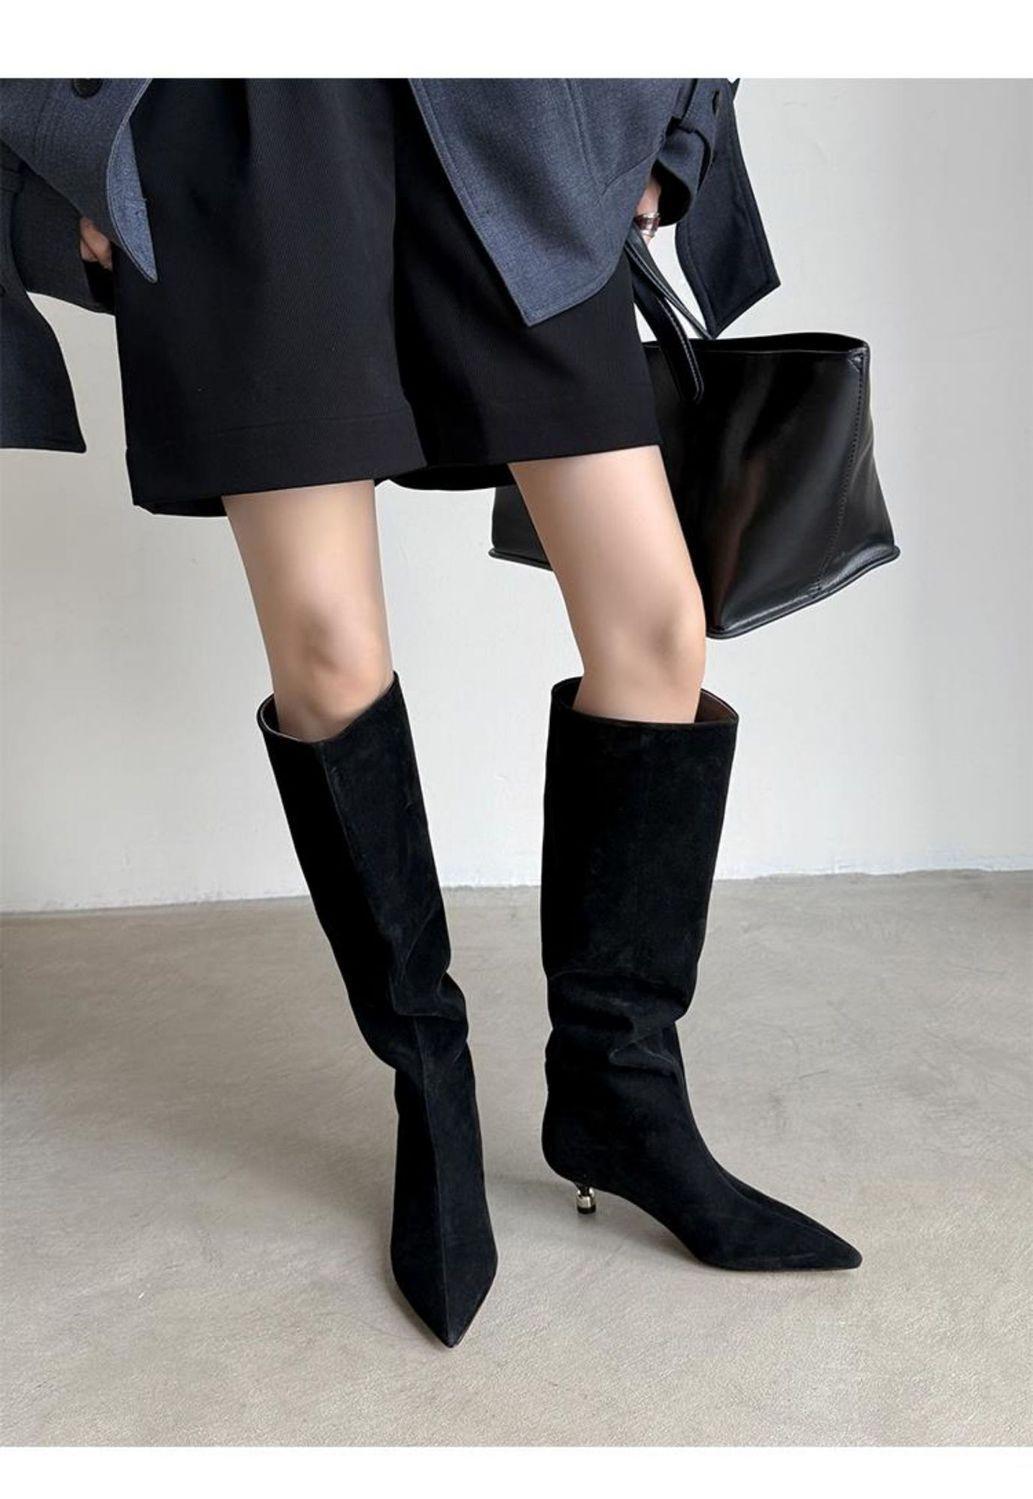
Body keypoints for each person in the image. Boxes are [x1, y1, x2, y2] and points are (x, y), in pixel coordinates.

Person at [0, 78, 860, 1348]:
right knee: (327, 649)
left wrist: (679, 128)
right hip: (243, 124)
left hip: (507, 111)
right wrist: (59, 164)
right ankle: (431, 1087)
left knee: (656, 625)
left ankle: (621, 1094)